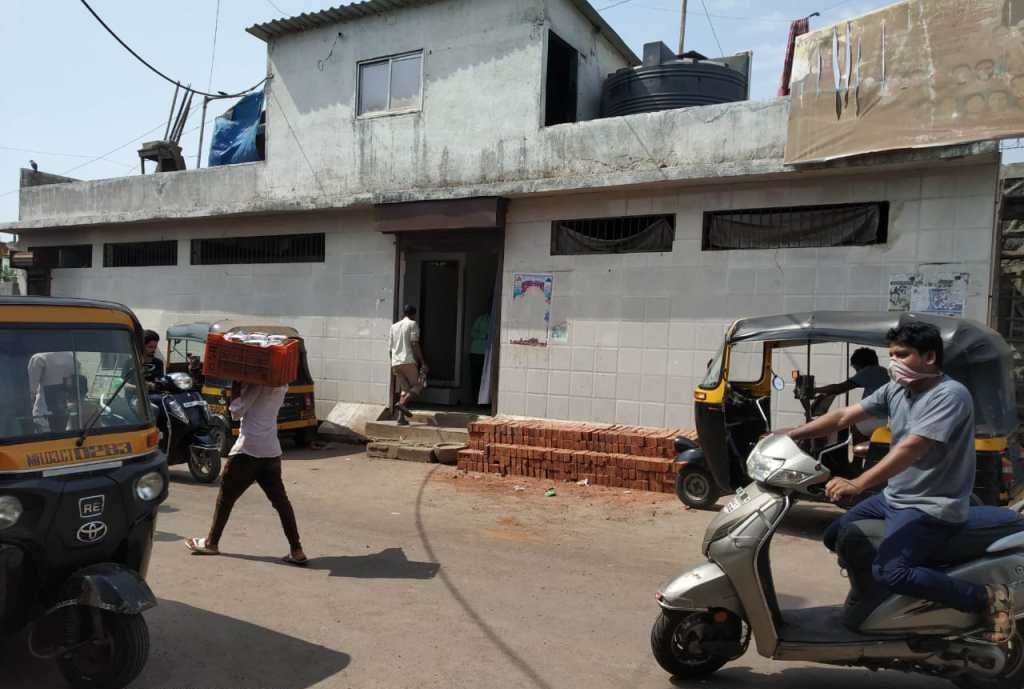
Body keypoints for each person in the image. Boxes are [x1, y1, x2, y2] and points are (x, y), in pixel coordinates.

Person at [787, 322, 1014, 643]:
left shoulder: (950, 395)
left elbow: (913, 448)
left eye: (902, 355)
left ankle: (986, 598)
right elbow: (843, 417)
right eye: (891, 354)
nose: (893, 361)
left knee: (891, 571)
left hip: (932, 505)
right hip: (895, 496)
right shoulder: (897, 389)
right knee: (836, 536)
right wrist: (791, 434)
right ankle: (876, 601)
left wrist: (859, 483)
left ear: (929, 357)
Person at [186, 382, 307, 565]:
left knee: (225, 500)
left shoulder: (256, 386)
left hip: (247, 451)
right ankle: (296, 550)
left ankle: (212, 543)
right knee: (281, 502)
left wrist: (236, 387)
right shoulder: (281, 384)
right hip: (271, 450)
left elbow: (236, 412)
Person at [813, 347, 889, 442]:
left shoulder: (869, 371)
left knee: (853, 423)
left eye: (856, 368)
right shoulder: (883, 371)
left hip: (879, 417)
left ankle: (857, 456)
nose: (857, 372)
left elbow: (839, 388)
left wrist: (815, 390)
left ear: (860, 363)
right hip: (887, 417)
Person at [389, 305, 427, 425]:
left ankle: (401, 419)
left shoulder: (393, 326)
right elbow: (414, 343)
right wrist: (422, 362)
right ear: (414, 314)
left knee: (405, 389)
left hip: (395, 362)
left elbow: (390, 348)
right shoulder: (412, 324)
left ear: (403, 313)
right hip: (408, 360)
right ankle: (401, 404)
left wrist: (393, 363)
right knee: (419, 385)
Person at [469, 310, 490, 402]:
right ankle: (475, 401)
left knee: (485, 379)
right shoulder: (481, 319)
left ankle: (484, 401)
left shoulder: (496, 319)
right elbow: (472, 333)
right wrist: (483, 335)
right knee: (476, 378)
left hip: (488, 354)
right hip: (476, 352)